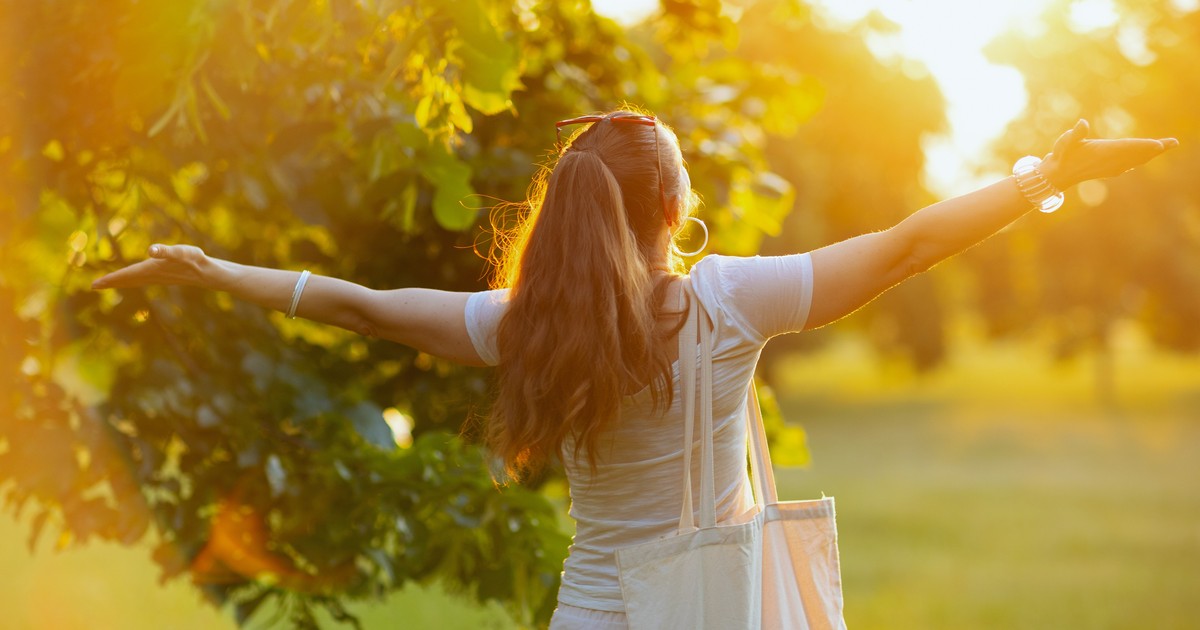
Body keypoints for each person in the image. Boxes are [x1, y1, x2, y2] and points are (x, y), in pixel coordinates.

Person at [92, 110, 1176, 628]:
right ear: (674, 209)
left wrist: (207, 270)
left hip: (594, 610)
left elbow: (356, 308)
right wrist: (1047, 176)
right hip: (719, 610)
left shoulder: (527, 325)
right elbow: (907, 247)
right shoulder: (728, 301)